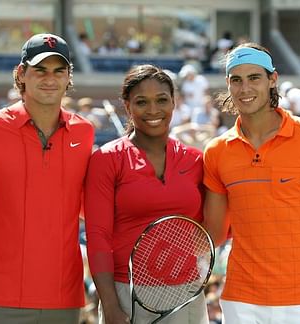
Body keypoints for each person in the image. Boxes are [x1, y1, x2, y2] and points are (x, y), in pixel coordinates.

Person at [202, 42, 300, 324]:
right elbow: (213, 234)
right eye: (236, 80)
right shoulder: (216, 151)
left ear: (273, 80)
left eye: (254, 78)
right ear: (228, 85)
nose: (245, 88)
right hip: (241, 303)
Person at [0, 33, 95, 324]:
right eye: (40, 70)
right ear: (21, 74)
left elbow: (94, 210)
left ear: (68, 77)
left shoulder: (85, 133)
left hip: (64, 299)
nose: (49, 79)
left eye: (58, 71)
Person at [84, 64, 209, 324]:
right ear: (127, 106)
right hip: (124, 294)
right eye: (142, 102)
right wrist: (110, 306)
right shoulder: (106, 160)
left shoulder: (196, 161)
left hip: (187, 295)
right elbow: (98, 237)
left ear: (174, 102)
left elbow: (206, 230)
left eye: (162, 100)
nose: (153, 110)